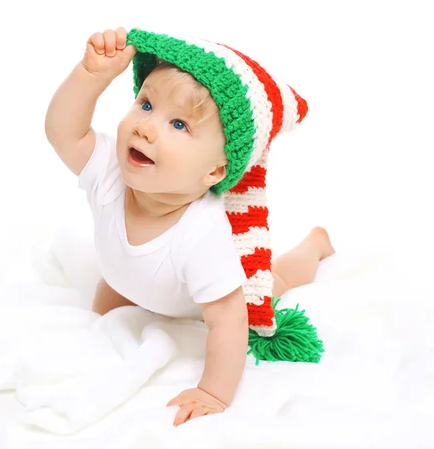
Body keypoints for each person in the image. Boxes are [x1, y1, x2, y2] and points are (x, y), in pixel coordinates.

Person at [45, 27, 335, 427]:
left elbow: (227, 321)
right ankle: (117, 302)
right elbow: (63, 132)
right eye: (146, 104)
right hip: (127, 276)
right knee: (112, 296)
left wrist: (212, 392)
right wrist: (89, 78)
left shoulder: (203, 237)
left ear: (215, 171)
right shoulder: (109, 172)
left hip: (196, 296)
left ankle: (314, 246)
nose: (146, 128)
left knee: (271, 284)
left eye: (179, 125)